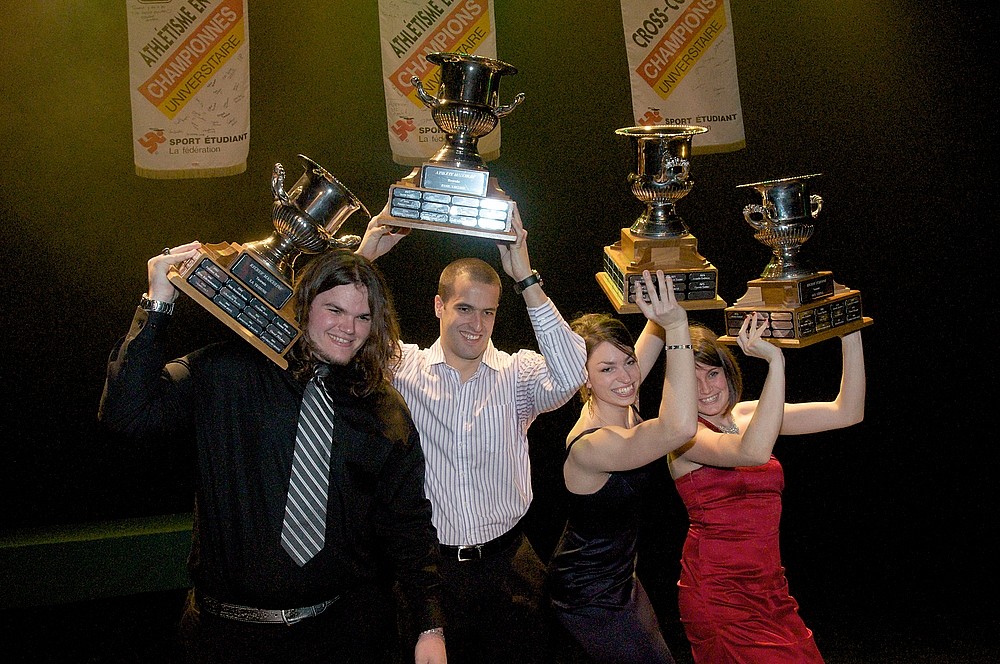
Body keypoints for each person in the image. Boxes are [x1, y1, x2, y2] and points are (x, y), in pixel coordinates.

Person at [98, 243, 446, 664]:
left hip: (339, 634)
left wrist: (429, 626)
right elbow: (126, 412)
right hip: (225, 638)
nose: (349, 328)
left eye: (363, 317)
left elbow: (408, 525)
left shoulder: (382, 408)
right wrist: (158, 301)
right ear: (302, 304)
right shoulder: (228, 370)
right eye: (334, 310)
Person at [357, 203, 588, 663]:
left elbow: (571, 372)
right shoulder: (405, 367)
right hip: (428, 572)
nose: (476, 325)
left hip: (509, 567)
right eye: (464, 308)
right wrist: (364, 259)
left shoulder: (517, 375)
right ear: (439, 305)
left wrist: (525, 277)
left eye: (487, 312)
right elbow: (336, 332)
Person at [668, 316, 866, 663]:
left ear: (728, 372)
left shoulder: (747, 415)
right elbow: (752, 452)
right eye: (692, 379)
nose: (705, 388)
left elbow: (846, 412)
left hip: (769, 587)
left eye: (712, 373)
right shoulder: (684, 437)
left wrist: (848, 330)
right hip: (718, 592)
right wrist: (776, 362)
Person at [547, 270, 697, 663]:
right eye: (606, 369)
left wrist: (659, 265)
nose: (626, 377)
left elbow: (651, 327)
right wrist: (678, 326)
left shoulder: (620, 400)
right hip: (586, 593)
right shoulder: (594, 445)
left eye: (628, 361)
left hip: (620, 578)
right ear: (585, 378)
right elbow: (680, 426)